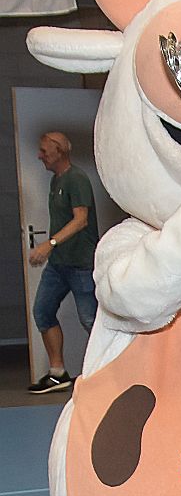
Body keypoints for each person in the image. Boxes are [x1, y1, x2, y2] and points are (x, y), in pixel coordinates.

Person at [28, 131, 99, 393]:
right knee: (42, 311)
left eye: (44, 151)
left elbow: (81, 220)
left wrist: (49, 244)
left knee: (91, 321)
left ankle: (107, 373)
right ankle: (58, 373)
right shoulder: (55, 180)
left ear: (59, 151)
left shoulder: (76, 179)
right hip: (59, 265)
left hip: (81, 264)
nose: (40, 156)